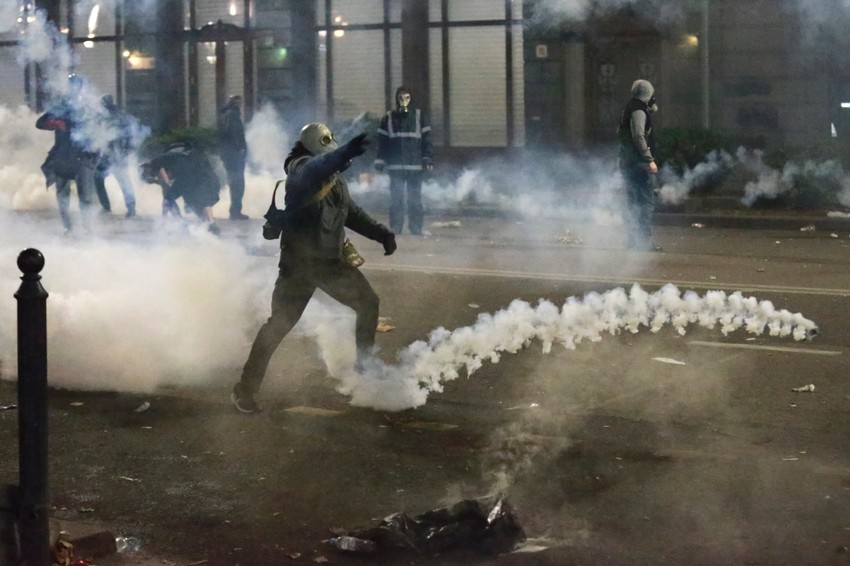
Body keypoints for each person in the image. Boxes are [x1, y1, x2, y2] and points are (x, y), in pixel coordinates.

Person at [231, 123, 397, 413]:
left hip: (330, 263)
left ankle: (366, 368)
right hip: (300, 265)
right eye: (334, 155)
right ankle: (245, 389)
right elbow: (314, 169)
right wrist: (342, 153)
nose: (341, 161)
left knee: (368, 304)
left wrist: (382, 234)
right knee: (278, 326)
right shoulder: (299, 168)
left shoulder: (334, 178)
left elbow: (352, 214)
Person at [36, 74, 99, 234]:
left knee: (85, 196)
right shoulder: (61, 106)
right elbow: (40, 123)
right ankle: (67, 227)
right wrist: (56, 123)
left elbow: (100, 128)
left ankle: (88, 228)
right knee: (62, 196)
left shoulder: (88, 106)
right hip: (63, 157)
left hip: (83, 156)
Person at [375, 85, 434, 236]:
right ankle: (395, 228)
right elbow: (383, 142)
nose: (403, 100)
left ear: (411, 99)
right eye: (400, 97)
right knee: (396, 200)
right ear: (396, 99)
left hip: (415, 167)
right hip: (395, 167)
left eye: (406, 97)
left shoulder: (419, 116)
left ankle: (415, 228)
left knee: (414, 200)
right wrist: (380, 160)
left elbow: (427, 140)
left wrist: (427, 158)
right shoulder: (388, 118)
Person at [617, 79, 661, 252]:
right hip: (638, 164)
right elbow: (638, 136)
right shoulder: (638, 110)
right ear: (648, 94)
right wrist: (649, 159)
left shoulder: (627, 108)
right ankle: (643, 241)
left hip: (628, 163)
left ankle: (633, 241)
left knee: (633, 202)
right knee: (644, 203)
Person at [142, 142, 221, 234]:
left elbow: (166, 181)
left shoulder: (156, 162)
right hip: (205, 175)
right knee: (201, 200)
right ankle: (209, 223)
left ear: (148, 167)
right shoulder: (184, 155)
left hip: (187, 176)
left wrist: (163, 218)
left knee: (169, 197)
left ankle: (180, 222)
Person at [93, 95, 138, 218]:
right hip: (113, 155)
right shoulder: (116, 116)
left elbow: (126, 136)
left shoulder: (114, 117)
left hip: (115, 155)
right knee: (120, 181)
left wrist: (124, 151)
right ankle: (129, 208)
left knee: (120, 181)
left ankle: (110, 207)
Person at [217, 94, 249, 220]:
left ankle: (235, 210)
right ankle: (235, 211)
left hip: (228, 154)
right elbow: (234, 133)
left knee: (234, 182)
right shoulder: (232, 115)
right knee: (238, 184)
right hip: (234, 155)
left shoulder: (225, 115)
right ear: (235, 103)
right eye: (238, 101)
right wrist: (240, 149)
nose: (240, 104)